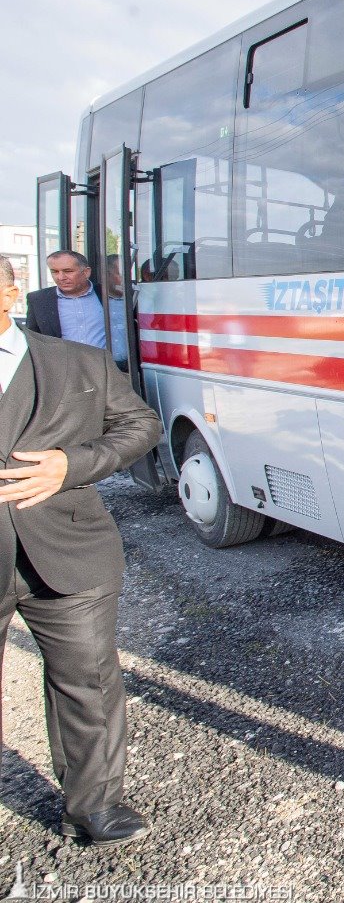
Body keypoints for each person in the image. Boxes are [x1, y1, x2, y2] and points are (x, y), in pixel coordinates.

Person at [0, 256, 162, 846]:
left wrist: (74, 465)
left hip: (69, 551)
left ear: (11, 293)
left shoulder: (77, 362)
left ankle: (94, 805)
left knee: (87, 679)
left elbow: (141, 426)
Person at [26, 251, 127, 368]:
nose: (61, 277)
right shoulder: (39, 300)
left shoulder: (106, 294)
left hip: (107, 370)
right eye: (55, 272)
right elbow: (32, 340)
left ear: (86, 272)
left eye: (68, 271)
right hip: (64, 373)